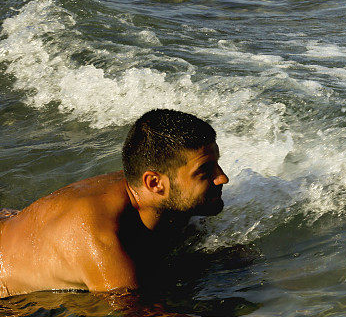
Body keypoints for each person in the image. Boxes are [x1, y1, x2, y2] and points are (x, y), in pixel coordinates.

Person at [0, 108, 229, 298]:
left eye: (216, 163)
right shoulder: (101, 237)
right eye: (205, 171)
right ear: (154, 183)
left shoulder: (161, 194)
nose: (223, 178)